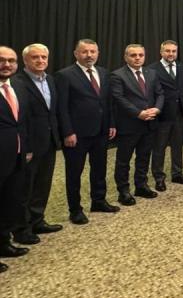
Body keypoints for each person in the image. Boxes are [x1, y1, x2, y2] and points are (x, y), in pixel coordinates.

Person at [55, 39, 119, 224]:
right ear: (76, 54)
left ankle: (98, 201)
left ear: (98, 53)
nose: (89, 55)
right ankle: (75, 210)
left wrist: (111, 123)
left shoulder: (104, 72)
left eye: (93, 51)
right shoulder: (64, 75)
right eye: (84, 51)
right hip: (77, 134)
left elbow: (107, 102)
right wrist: (67, 132)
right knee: (74, 173)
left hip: (101, 131)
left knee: (99, 169)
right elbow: (62, 107)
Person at [10, 44, 62, 245]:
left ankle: (37, 221)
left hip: (49, 141)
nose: (40, 60)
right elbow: (19, 118)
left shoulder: (50, 79)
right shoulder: (17, 83)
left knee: (42, 184)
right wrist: (26, 147)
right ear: (25, 60)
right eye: (35, 57)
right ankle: (21, 230)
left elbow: (52, 112)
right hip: (29, 145)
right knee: (24, 189)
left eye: (43, 57)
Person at [110, 44, 164, 205]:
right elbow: (119, 98)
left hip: (150, 123)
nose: (137, 58)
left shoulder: (151, 73)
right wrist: (138, 113)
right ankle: (124, 191)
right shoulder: (117, 75)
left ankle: (141, 186)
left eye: (141, 55)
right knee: (123, 160)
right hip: (129, 125)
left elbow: (160, 94)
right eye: (133, 55)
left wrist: (157, 109)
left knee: (144, 157)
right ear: (126, 57)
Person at [0, 46, 31, 269]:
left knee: (9, 200)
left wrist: (26, 148)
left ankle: (3, 243)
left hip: (16, 154)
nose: (7, 64)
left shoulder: (18, 85)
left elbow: (23, 121)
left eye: (11, 61)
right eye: (2, 60)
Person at [148, 40, 183, 191]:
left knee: (177, 146)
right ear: (161, 52)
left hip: (179, 114)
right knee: (159, 148)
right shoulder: (152, 69)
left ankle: (177, 173)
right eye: (167, 51)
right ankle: (159, 178)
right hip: (162, 115)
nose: (171, 54)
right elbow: (151, 94)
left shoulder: (182, 67)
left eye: (174, 51)